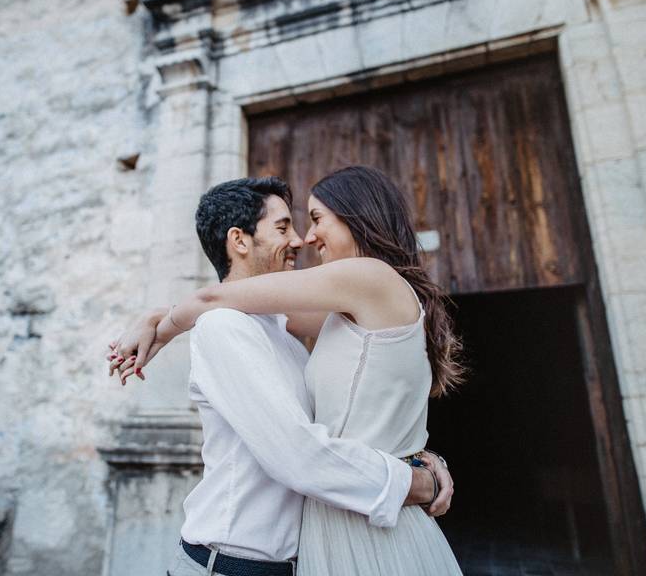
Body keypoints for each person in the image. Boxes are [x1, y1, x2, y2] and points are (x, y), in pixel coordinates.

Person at [110, 168, 465, 576]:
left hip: (342, 538)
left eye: (314, 220)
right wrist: (415, 479)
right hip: (237, 563)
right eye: (286, 226)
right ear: (239, 240)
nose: (303, 239)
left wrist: (418, 459)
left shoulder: (323, 310)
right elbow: (303, 455)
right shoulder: (230, 326)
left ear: (358, 217)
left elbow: (357, 421)